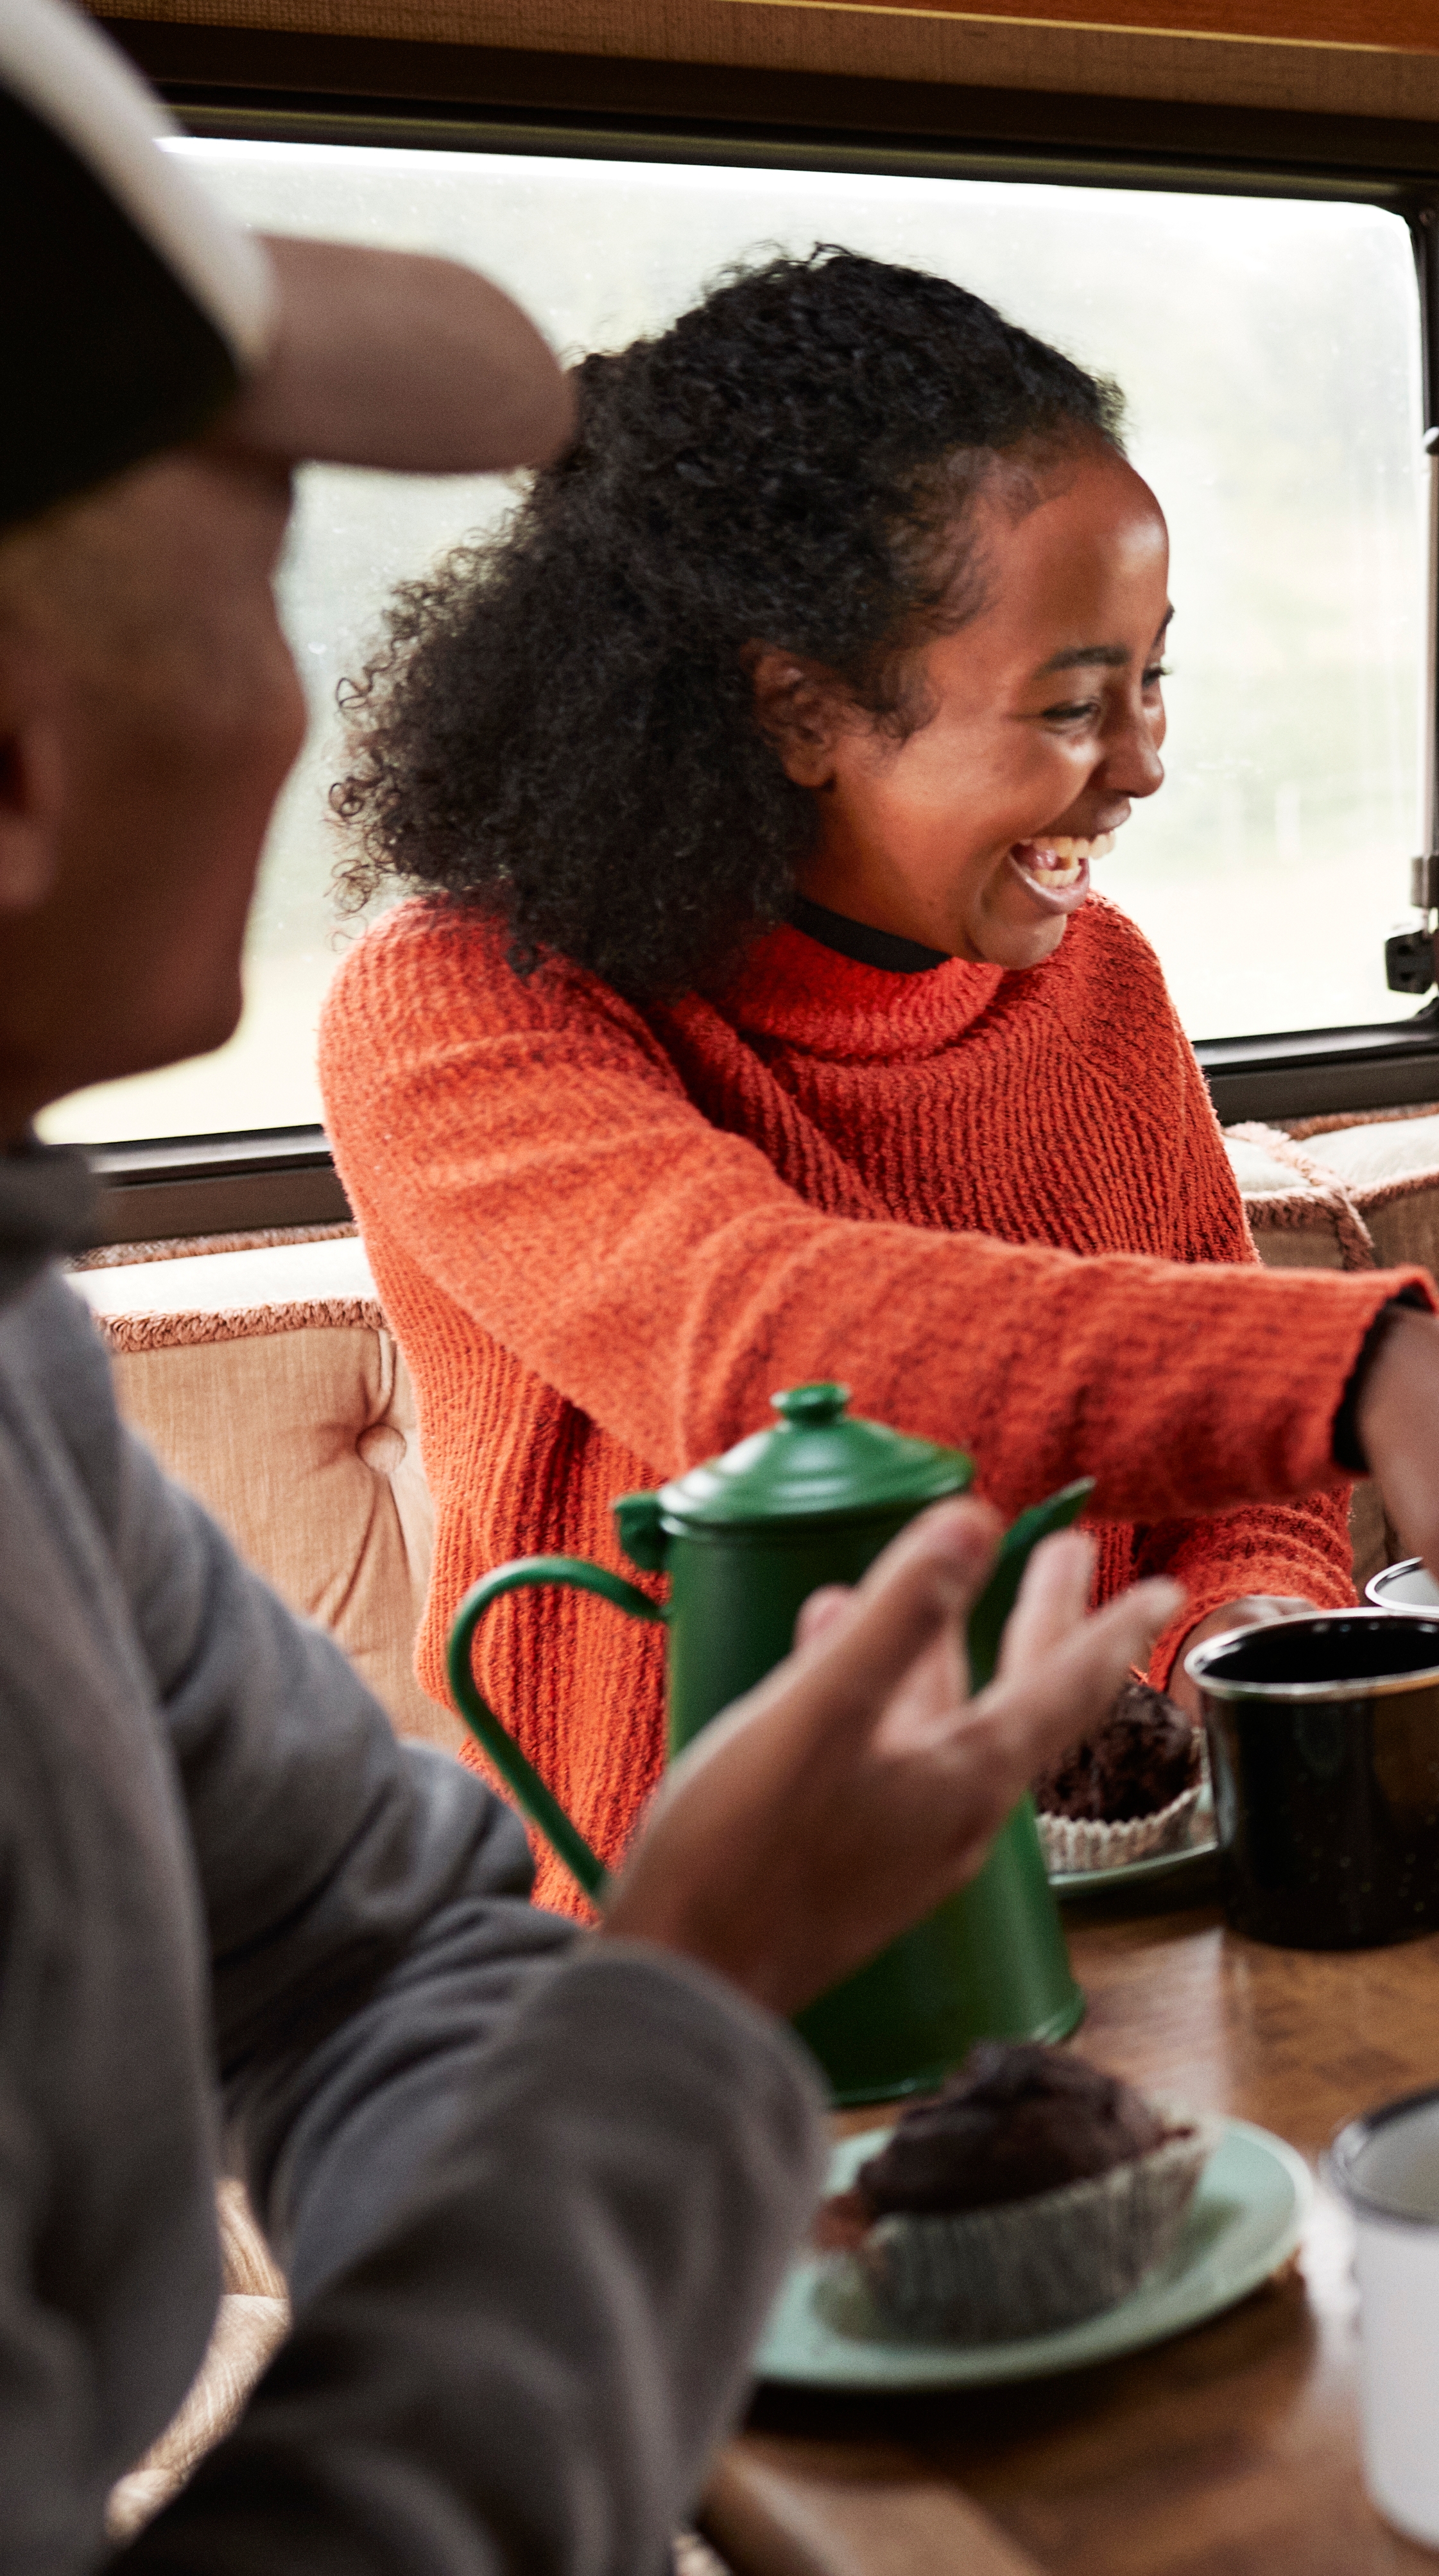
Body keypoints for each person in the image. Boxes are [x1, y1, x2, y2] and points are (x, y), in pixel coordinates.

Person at [0, 3, 1182, 2557]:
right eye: (250, 570)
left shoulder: (13, 1365)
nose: (325, 704)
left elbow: (349, 1951)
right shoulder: (463, 1000)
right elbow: (759, 1323)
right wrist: (682, 2014)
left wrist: (645, 2048)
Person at [317, 250, 1439, 1907]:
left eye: (1151, 678)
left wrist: (1243, 1631)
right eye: (1069, 704)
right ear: (801, 706)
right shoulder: (472, 997)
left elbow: (1241, 1485)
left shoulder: (1101, 985)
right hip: (687, 1964)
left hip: (1116, 1898)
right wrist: (1365, 1365)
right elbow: (762, 1345)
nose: (1141, 763)